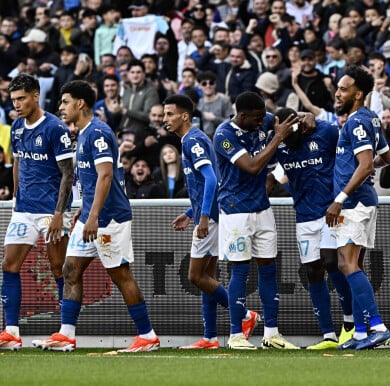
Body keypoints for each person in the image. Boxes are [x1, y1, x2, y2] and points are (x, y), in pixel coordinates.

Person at [33, 80, 159, 352]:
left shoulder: (98, 133)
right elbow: (93, 180)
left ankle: (147, 336)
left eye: (65, 102)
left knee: (120, 274)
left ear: (80, 103)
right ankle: (66, 335)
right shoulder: (82, 133)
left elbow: (105, 175)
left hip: (108, 217)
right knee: (70, 269)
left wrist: (93, 216)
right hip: (90, 214)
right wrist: (84, 209)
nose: (60, 107)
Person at [163, 94, 259, 349]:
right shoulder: (191, 140)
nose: (165, 119)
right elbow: (204, 182)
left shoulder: (193, 140)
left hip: (213, 217)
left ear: (185, 116)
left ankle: (245, 316)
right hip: (212, 213)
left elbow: (212, 180)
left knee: (195, 276)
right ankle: (210, 337)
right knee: (208, 275)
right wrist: (191, 212)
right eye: (164, 114)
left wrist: (203, 217)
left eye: (170, 114)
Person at [213, 91, 300, 350]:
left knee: (269, 268)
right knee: (240, 270)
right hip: (235, 210)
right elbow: (251, 166)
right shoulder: (223, 136)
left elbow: (288, 121)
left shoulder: (264, 119)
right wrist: (278, 137)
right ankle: (236, 335)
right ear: (241, 115)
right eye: (257, 118)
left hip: (262, 207)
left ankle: (271, 333)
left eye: (264, 116)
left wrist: (300, 120)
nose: (262, 122)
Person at [0, 74, 74, 351]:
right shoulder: (17, 127)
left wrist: (59, 213)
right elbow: (18, 163)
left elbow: (68, 173)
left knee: (58, 267)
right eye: (13, 100)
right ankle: (11, 333)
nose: (17, 105)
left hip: (51, 211)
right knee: (9, 264)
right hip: (24, 209)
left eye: (21, 99)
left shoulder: (55, 128)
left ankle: (66, 332)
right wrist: (17, 199)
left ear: (35, 96)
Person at [273, 107, 355, 349]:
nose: (285, 136)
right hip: (304, 216)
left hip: (331, 210)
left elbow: (346, 158)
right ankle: (329, 335)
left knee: (332, 262)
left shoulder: (326, 132)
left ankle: (350, 325)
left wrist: (310, 114)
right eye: (281, 132)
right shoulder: (278, 143)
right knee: (312, 272)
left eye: (289, 130)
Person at [325, 65, 390, 350]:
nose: (337, 92)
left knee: (346, 264)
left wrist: (339, 197)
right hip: (364, 200)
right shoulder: (371, 118)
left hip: (353, 204)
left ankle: (377, 326)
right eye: (338, 88)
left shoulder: (355, 122)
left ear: (358, 93)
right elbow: (385, 158)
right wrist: (365, 170)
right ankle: (362, 332)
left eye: (343, 88)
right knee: (356, 264)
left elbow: (366, 164)